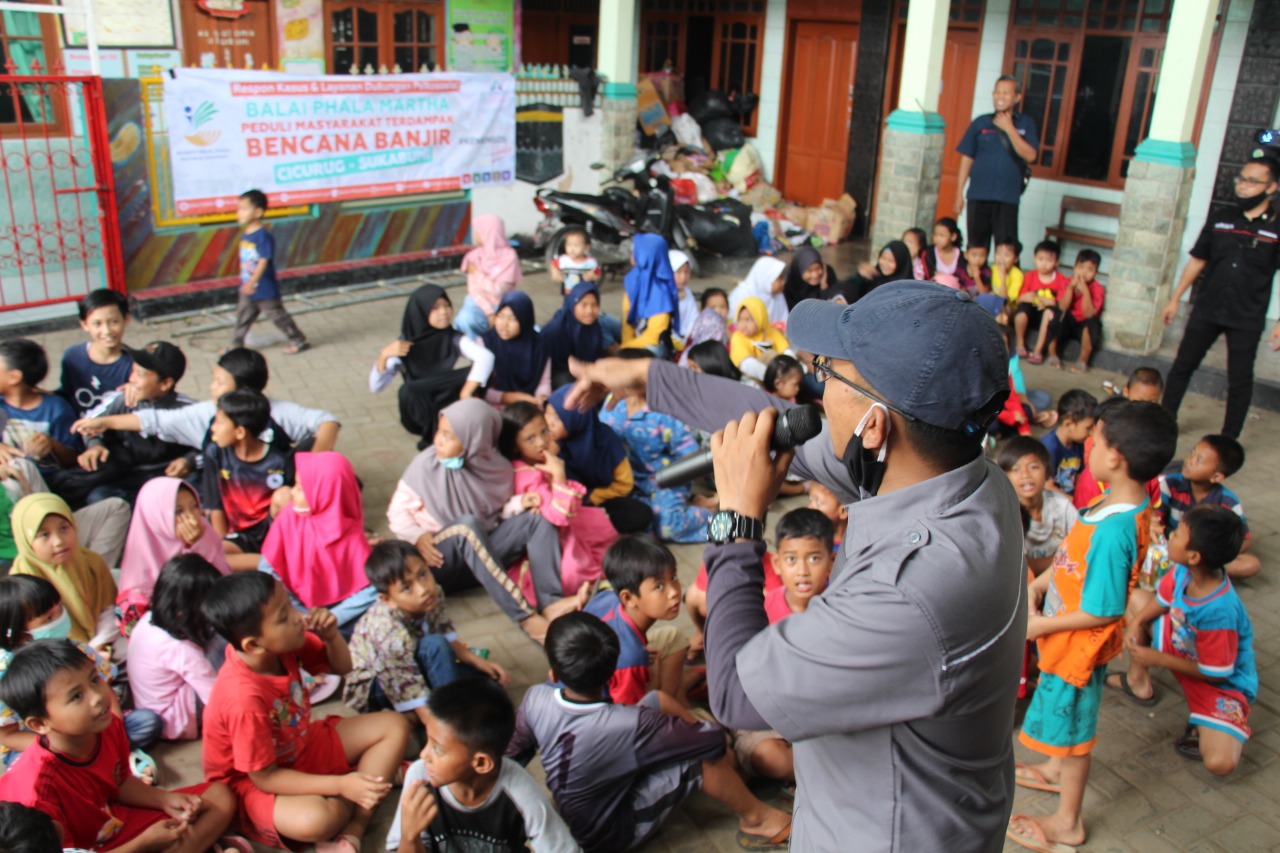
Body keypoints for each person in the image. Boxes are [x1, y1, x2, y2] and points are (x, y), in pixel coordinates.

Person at [563, 280, 1026, 850]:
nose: (816, 390)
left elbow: (734, 692)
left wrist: (736, 523)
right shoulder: (963, 473)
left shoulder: (909, 591)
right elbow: (775, 424)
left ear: (874, 425)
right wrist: (650, 378)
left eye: (828, 377)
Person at [1012, 401, 1177, 853]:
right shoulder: (1119, 498)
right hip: (1063, 634)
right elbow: (1072, 556)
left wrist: (1040, 626)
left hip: (1078, 646)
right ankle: (1051, 767)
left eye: (1097, 438)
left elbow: (1104, 610)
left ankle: (1068, 822)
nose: (1089, 442)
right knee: (1062, 722)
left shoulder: (1114, 530)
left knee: (1077, 734)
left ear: (1116, 456)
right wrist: (1044, 582)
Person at [507, 612, 793, 852]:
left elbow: (512, 756)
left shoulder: (535, 699)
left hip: (570, 808)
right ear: (611, 673)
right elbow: (712, 740)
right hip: (604, 835)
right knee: (698, 761)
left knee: (656, 701)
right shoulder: (630, 724)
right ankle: (757, 818)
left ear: (554, 674)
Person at [200, 571, 411, 852]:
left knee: (394, 726)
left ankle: (355, 826)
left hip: (298, 746)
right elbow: (264, 777)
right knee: (317, 820)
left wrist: (332, 636)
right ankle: (371, 777)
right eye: (283, 616)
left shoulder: (283, 644)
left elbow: (343, 668)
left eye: (289, 605)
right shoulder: (242, 699)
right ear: (254, 644)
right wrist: (339, 785)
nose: (298, 617)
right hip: (252, 784)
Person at [0, 639, 237, 853]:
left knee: (219, 796)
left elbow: (119, 781)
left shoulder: (106, 727)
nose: (97, 697)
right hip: (82, 848)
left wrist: (163, 799)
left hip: (111, 824)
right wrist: (145, 842)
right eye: (76, 696)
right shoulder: (37, 795)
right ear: (39, 723)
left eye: (94, 679)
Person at [386, 399, 573, 643]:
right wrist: (417, 535)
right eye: (439, 433)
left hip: (484, 560)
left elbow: (497, 515)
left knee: (537, 518)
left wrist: (519, 504)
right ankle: (526, 618)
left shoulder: (498, 469)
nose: (438, 441)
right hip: (441, 561)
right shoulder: (426, 465)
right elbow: (396, 513)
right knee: (466, 527)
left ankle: (551, 603)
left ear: (476, 439)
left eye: (448, 436)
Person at [71, 346, 340, 483]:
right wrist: (104, 421)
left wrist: (310, 469)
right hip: (226, 494)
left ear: (245, 388)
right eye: (213, 380)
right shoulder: (206, 414)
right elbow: (154, 420)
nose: (212, 388)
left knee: (335, 469)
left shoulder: (279, 412)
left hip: (273, 490)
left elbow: (327, 421)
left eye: (219, 383)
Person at [1122, 505, 1256, 775]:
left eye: (1177, 535)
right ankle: (1137, 681)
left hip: (1221, 684)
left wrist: (1156, 658)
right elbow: (1161, 601)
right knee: (1135, 600)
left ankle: (1211, 721)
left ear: (1194, 556)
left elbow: (1217, 673)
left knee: (1220, 763)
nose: (1170, 536)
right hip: (1183, 648)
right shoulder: (1184, 571)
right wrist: (1135, 624)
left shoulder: (1220, 611)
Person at [1160, 157, 1280, 438]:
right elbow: (1197, 261)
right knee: (1182, 366)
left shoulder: (1276, 228)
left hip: (1247, 316)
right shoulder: (1221, 219)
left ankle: (1229, 440)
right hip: (1207, 309)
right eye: (1241, 179)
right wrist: (1175, 298)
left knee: (1239, 379)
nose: (1243, 187)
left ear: (1272, 187)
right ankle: (1164, 424)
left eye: (1253, 181)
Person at [389, 678, 578, 853]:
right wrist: (410, 836)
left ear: (480, 763)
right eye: (428, 742)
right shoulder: (421, 777)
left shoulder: (518, 790)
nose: (423, 755)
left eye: (437, 749)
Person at [0, 574, 161, 763]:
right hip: (47, 743)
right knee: (27, 766)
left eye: (60, 607)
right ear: (19, 634)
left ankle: (107, 759)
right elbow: (8, 736)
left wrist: (114, 733)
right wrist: (69, 746)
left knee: (147, 722)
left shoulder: (75, 648)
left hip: (93, 725)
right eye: (48, 618)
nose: (60, 618)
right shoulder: (6, 676)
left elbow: (104, 687)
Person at [344, 540, 506, 726]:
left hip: (412, 664)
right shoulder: (386, 629)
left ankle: (423, 712)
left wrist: (474, 660)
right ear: (387, 599)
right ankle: (447, 714)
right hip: (376, 684)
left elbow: (444, 631)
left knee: (488, 684)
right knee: (434, 646)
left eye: (423, 574)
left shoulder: (433, 593)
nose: (422, 589)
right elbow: (404, 683)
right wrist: (442, 727)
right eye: (406, 587)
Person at [499, 402, 617, 597]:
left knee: (602, 527)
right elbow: (559, 516)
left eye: (544, 431)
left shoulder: (536, 462)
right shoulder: (527, 476)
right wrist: (559, 476)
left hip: (565, 524)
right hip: (554, 537)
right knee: (575, 572)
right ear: (514, 445)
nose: (541, 442)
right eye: (530, 438)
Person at [599, 355, 717, 543]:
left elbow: (691, 457)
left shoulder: (665, 412)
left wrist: (672, 480)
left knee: (667, 528)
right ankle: (691, 505)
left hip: (664, 481)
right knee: (639, 527)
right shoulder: (612, 403)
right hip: (626, 481)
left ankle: (712, 513)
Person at [68, 341, 195, 507]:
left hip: (170, 480)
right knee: (99, 497)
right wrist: (95, 444)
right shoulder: (122, 399)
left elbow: (211, 444)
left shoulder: (188, 410)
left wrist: (189, 461)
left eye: (141, 374)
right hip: (129, 478)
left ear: (165, 383)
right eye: (133, 370)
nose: (132, 379)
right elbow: (90, 423)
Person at [259, 452, 376, 628]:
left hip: (337, 617)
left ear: (323, 493)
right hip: (291, 607)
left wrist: (333, 617)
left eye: (300, 487)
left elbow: (370, 590)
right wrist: (296, 611)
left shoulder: (351, 536)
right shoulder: (288, 519)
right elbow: (268, 569)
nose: (292, 492)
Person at [371, 284, 493, 448]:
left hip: (446, 402)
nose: (444, 312)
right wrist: (383, 356)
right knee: (407, 391)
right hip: (417, 411)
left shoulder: (452, 337)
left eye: (446, 305)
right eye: (435, 308)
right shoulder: (404, 345)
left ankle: (447, 434)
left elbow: (486, 357)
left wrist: (467, 392)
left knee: (485, 372)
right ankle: (432, 438)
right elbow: (375, 387)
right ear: (420, 312)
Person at [583, 536, 690, 706]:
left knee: (673, 638)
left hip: (601, 677)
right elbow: (631, 719)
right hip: (602, 717)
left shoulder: (605, 597)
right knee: (706, 722)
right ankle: (672, 706)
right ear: (628, 597)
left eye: (674, 577)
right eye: (659, 586)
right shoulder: (631, 659)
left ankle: (676, 695)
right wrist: (653, 677)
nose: (674, 592)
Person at [126, 555, 222, 741]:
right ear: (185, 611)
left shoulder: (149, 619)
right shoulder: (180, 649)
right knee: (223, 644)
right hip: (175, 721)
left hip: (152, 705)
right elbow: (216, 699)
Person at [9, 494, 118, 655]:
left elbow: (108, 608)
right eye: (44, 535)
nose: (59, 541)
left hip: (103, 640)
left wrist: (99, 643)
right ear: (26, 541)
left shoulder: (91, 562)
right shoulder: (21, 585)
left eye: (64, 528)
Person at [542, 387, 652, 534]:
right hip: (565, 504)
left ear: (576, 419)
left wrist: (592, 497)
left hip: (599, 500)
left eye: (557, 417)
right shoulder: (548, 444)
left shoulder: (605, 440)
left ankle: (588, 528)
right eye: (546, 414)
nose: (549, 423)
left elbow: (624, 484)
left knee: (640, 513)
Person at [117, 478, 231, 619]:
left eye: (195, 506)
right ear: (155, 517)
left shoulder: (204, 533)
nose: (192, 517)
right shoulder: (137, 579)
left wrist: (198, 545)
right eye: (178, 511)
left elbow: (223, 583)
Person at [201, 389, 294, 558]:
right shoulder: (215, 454)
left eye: (219, 422)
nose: (213, 428)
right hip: (237, 537)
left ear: (240, 432)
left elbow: (286, 512)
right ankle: (266, 564)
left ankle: (278, 557)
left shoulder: (279, 463)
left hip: (271, 534)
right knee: (216, 554)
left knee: (285, 495)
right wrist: (220, 544)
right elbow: (215, 506)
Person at [954, 74, 1040, 252]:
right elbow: (966, 159)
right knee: (976, 249)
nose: (1000, 96)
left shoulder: (1026, 123)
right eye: (997, 92)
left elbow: (1031, 156)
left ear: (1017, 97)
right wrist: (958, 193)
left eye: (1006, 93)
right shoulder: (981, 122)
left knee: (1006, 249)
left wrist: (1009, 129)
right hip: (978, 194)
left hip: (1007, 196)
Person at [1157, 434, 1260, 580]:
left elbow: (1245, 540)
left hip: (1200, 557)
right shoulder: (1171, 483)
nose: (1189, 460)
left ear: (1216, 477)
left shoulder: (1227, 501)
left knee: (1251, 564)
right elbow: (1154, 519)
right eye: (1192, 452)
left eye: (1199, 460)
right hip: (1169, 543)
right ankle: (1189, 571)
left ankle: (1187, 569)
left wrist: (1210, 556)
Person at [0, 457, 129, 569]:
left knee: (116, 507)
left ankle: (93, 573)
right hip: (19, 557)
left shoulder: (14, 470)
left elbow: (50, 512)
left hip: (51, 536)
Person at [230, 189, 309, 355]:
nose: (239, 213)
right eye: (238, 208)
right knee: (242, 317)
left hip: (264, 288)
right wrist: (247, 282)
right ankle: (236, 346)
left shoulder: (263, 236)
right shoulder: (246, 235)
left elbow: (263, 261)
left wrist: (253, 282)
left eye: (244, 209)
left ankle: (298, 339)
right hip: (248, 287)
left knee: (278, 316)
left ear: (258, 212)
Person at [998, 436, 1077, 575]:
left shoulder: (1061, 505)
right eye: (1015, 469)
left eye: (1033, 467)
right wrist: (1062, 558)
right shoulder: (1005, 515)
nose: (1025, 475)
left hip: (1064, 577)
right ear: (1005, 476)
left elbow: (1081, 546)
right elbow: (1019, 568)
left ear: (1046, 471)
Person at [0, 339, 80, 472]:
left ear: (14, 377)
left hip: (50, 481)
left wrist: (52, 444)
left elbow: (74, 458)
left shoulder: (55, 408)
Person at [58, 289, 133, 418]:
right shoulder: (72, 357)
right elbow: (66, 393)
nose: (107, 331)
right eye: (97, 324)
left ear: (126, 320)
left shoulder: (135, 365)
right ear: (84, 324)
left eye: (114, 322)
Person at [456, 214, 523, 338]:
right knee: (465, 319)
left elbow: (498, 290)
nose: (474, 234)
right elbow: (473, 290)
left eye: (478, 230)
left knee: (525, 328)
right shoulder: (474, 256)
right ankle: (477, 351)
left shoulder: (509, 257)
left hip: (504, 304)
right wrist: (489, 312)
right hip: (479, 304)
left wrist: (477, 273)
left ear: (489, 233)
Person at [621, 233, 680, 356]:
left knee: (653, 350)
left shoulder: (661, 291)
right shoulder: (633, 278)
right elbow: (627, 321)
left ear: (646, 256)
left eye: (636, 250)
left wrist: (624, 348)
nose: (632, 254)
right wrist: (626, 344)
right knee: (603, 322)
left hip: (655, 343)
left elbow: (653, 337)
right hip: (637, 336)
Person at [1047, 249, 1105, 372]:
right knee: (1058, 314)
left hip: (1083, 324)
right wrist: (1070, 288)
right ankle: (1052, 354)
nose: (1084, 272)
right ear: (1074, 267)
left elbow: (1088, 314)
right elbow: (1063, 306)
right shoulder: (1066, 282)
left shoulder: (1098, 288)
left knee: (1092, 324)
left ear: (1096, 272)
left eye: (1090, 270)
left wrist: (1086, 292)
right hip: (1068, 322)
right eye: (1081, 267)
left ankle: (1082, 361)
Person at [541, 281, 604, 387]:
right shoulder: (555, 330)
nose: (589, 311)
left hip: (585, 369)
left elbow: (597, 357)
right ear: (572, 305)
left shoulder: (594, 327)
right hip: (558, 372)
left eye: (594, 305)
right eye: (584, 305)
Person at [1016, 240, 1070, 363]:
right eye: (1041, 259)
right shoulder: (1029, 276)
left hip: (1046, 318)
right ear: (1034, 259)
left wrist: (1052, 301)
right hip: (1031, 314)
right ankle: (1020, 344)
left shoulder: (1061, 279)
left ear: (1057, 262)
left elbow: (1061, 304)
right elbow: (1019, 299)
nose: (1044, 264)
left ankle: (1038, 351)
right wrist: (1026, 297)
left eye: (1049, 260)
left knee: (1050, 313)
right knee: (1022, 311)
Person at [1039, 388, 1097, 496]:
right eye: (1088, 428)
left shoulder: (1077, 443)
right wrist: (1074, 503)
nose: (1091, 433)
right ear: (1068, 424)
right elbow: (1046, 486)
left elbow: (1080, 475)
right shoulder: (1049, 448)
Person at [728, 297, 796, 385]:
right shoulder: (738, 337)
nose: (743, 325)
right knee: (771, 354)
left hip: (780, 375)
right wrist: (772, 377)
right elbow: (747, 364)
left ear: (760, 317)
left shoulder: (772, 332)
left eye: (749, 320)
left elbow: (787, 352)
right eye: (740, 319)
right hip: (755, 377)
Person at [843, 241, 913, 303]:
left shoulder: (907, 289)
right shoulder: (875, 277)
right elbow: (850, 291)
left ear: (901, 263)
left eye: (891, 261)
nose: (885, 264)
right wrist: (860, 277)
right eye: (883, 258)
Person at [728, 256, 788, 326]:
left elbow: (784, 321)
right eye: (779, 278)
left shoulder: (777, 295)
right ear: (767, 278)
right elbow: (735, 324)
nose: (783, 282)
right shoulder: (743, 295)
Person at [924, 217, 975, 292]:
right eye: (935, 234)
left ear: (953, 237)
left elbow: (964, 280)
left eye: (941, 235)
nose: (937, 239)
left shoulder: (962, 256)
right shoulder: (928, 253)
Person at [782, 245, 839, 310]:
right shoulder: (791, 288)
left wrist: (824, 288)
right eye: (809, 271)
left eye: (818, 268)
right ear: (799, 270)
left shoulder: (828, 275)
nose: (815, 275)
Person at [550, 226, 600, 294]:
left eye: (576, 245)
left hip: (586, 294)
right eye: (569, 245)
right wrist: (555, 273)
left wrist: (593, 276)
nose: (572, 249)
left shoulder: (590, 263)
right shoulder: (564, 260)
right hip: (568, 293)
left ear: (586, 247)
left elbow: (598, 273)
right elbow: (553, 264)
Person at [670, 249, 698, 346]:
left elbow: (693, 318)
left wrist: (688, 336)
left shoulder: (687, 292)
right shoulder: (663, 295)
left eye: (686, 272)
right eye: (678, 272)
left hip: (686, 339)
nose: (683, 277)